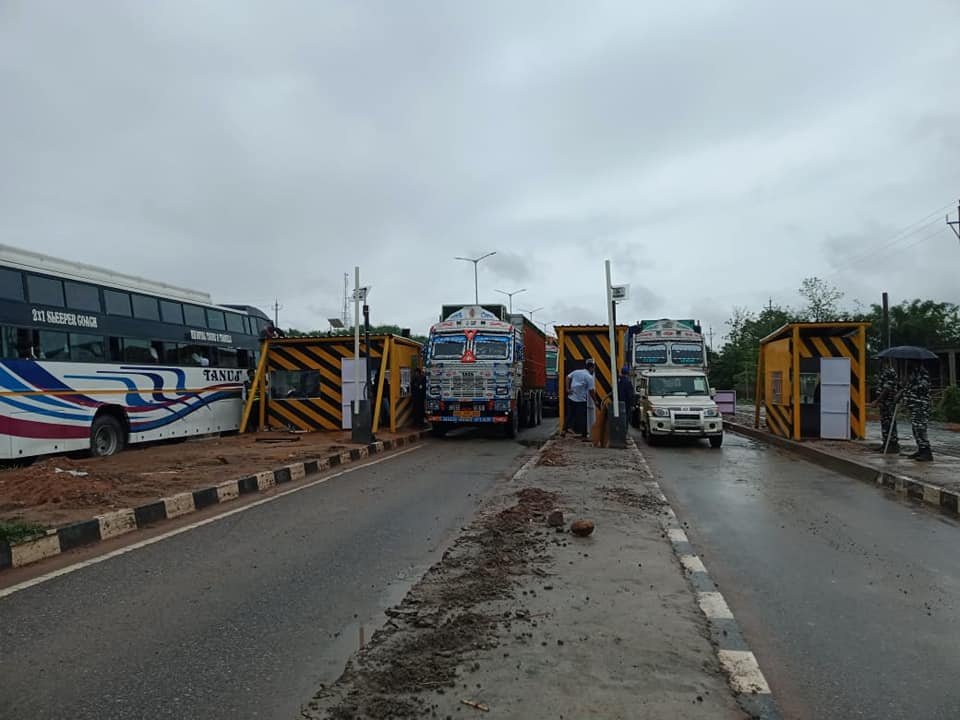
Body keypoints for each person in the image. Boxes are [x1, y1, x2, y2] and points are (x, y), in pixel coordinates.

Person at [901, 363, 933, 461]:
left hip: (920, 406)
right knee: (915, 429)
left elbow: (922, 388)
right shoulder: (913, 374)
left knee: (920, 429)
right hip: (914, 406)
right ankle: (921, 449)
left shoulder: (923, 375)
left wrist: (911, 385)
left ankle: (927, 452)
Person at [871, 360, 899, 453]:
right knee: (885, 424)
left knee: (889, 423)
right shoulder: (883, 372)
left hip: (888, 402)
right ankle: (886, 444)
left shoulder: (889, 372)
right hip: (884, 403)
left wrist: (877, 401)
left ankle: (892, 445)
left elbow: (887, 389)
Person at [565, 358, 595, 437]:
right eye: (593, 369)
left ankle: (566, 430)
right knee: (582, 417)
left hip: (571, 397)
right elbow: (591, 391)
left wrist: (567, 389)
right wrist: (595, 401)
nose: (593, 371)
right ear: (591, 368)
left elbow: (567, 377)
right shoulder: (589, 377)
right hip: (581, 400)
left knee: (571, 414)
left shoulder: (576, 372)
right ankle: (584, 434)